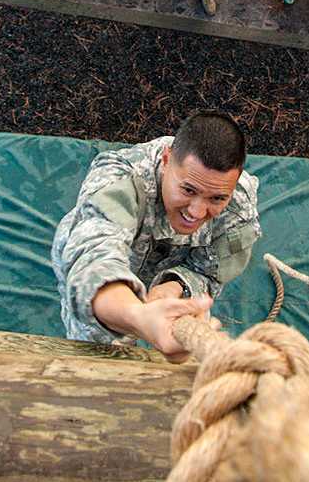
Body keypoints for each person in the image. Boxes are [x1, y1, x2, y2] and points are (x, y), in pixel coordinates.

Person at [51, 110, 261, 362]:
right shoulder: (121, 178)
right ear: (165, 160)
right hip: (107, 268)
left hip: (169, 273)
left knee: (186, 349)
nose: (197, 211)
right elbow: (91, 265)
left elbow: (210, 271)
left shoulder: (239, 204)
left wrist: (175, 286)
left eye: (216, 198)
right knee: (97, 354)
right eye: (188, 190)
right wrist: (138, 318)